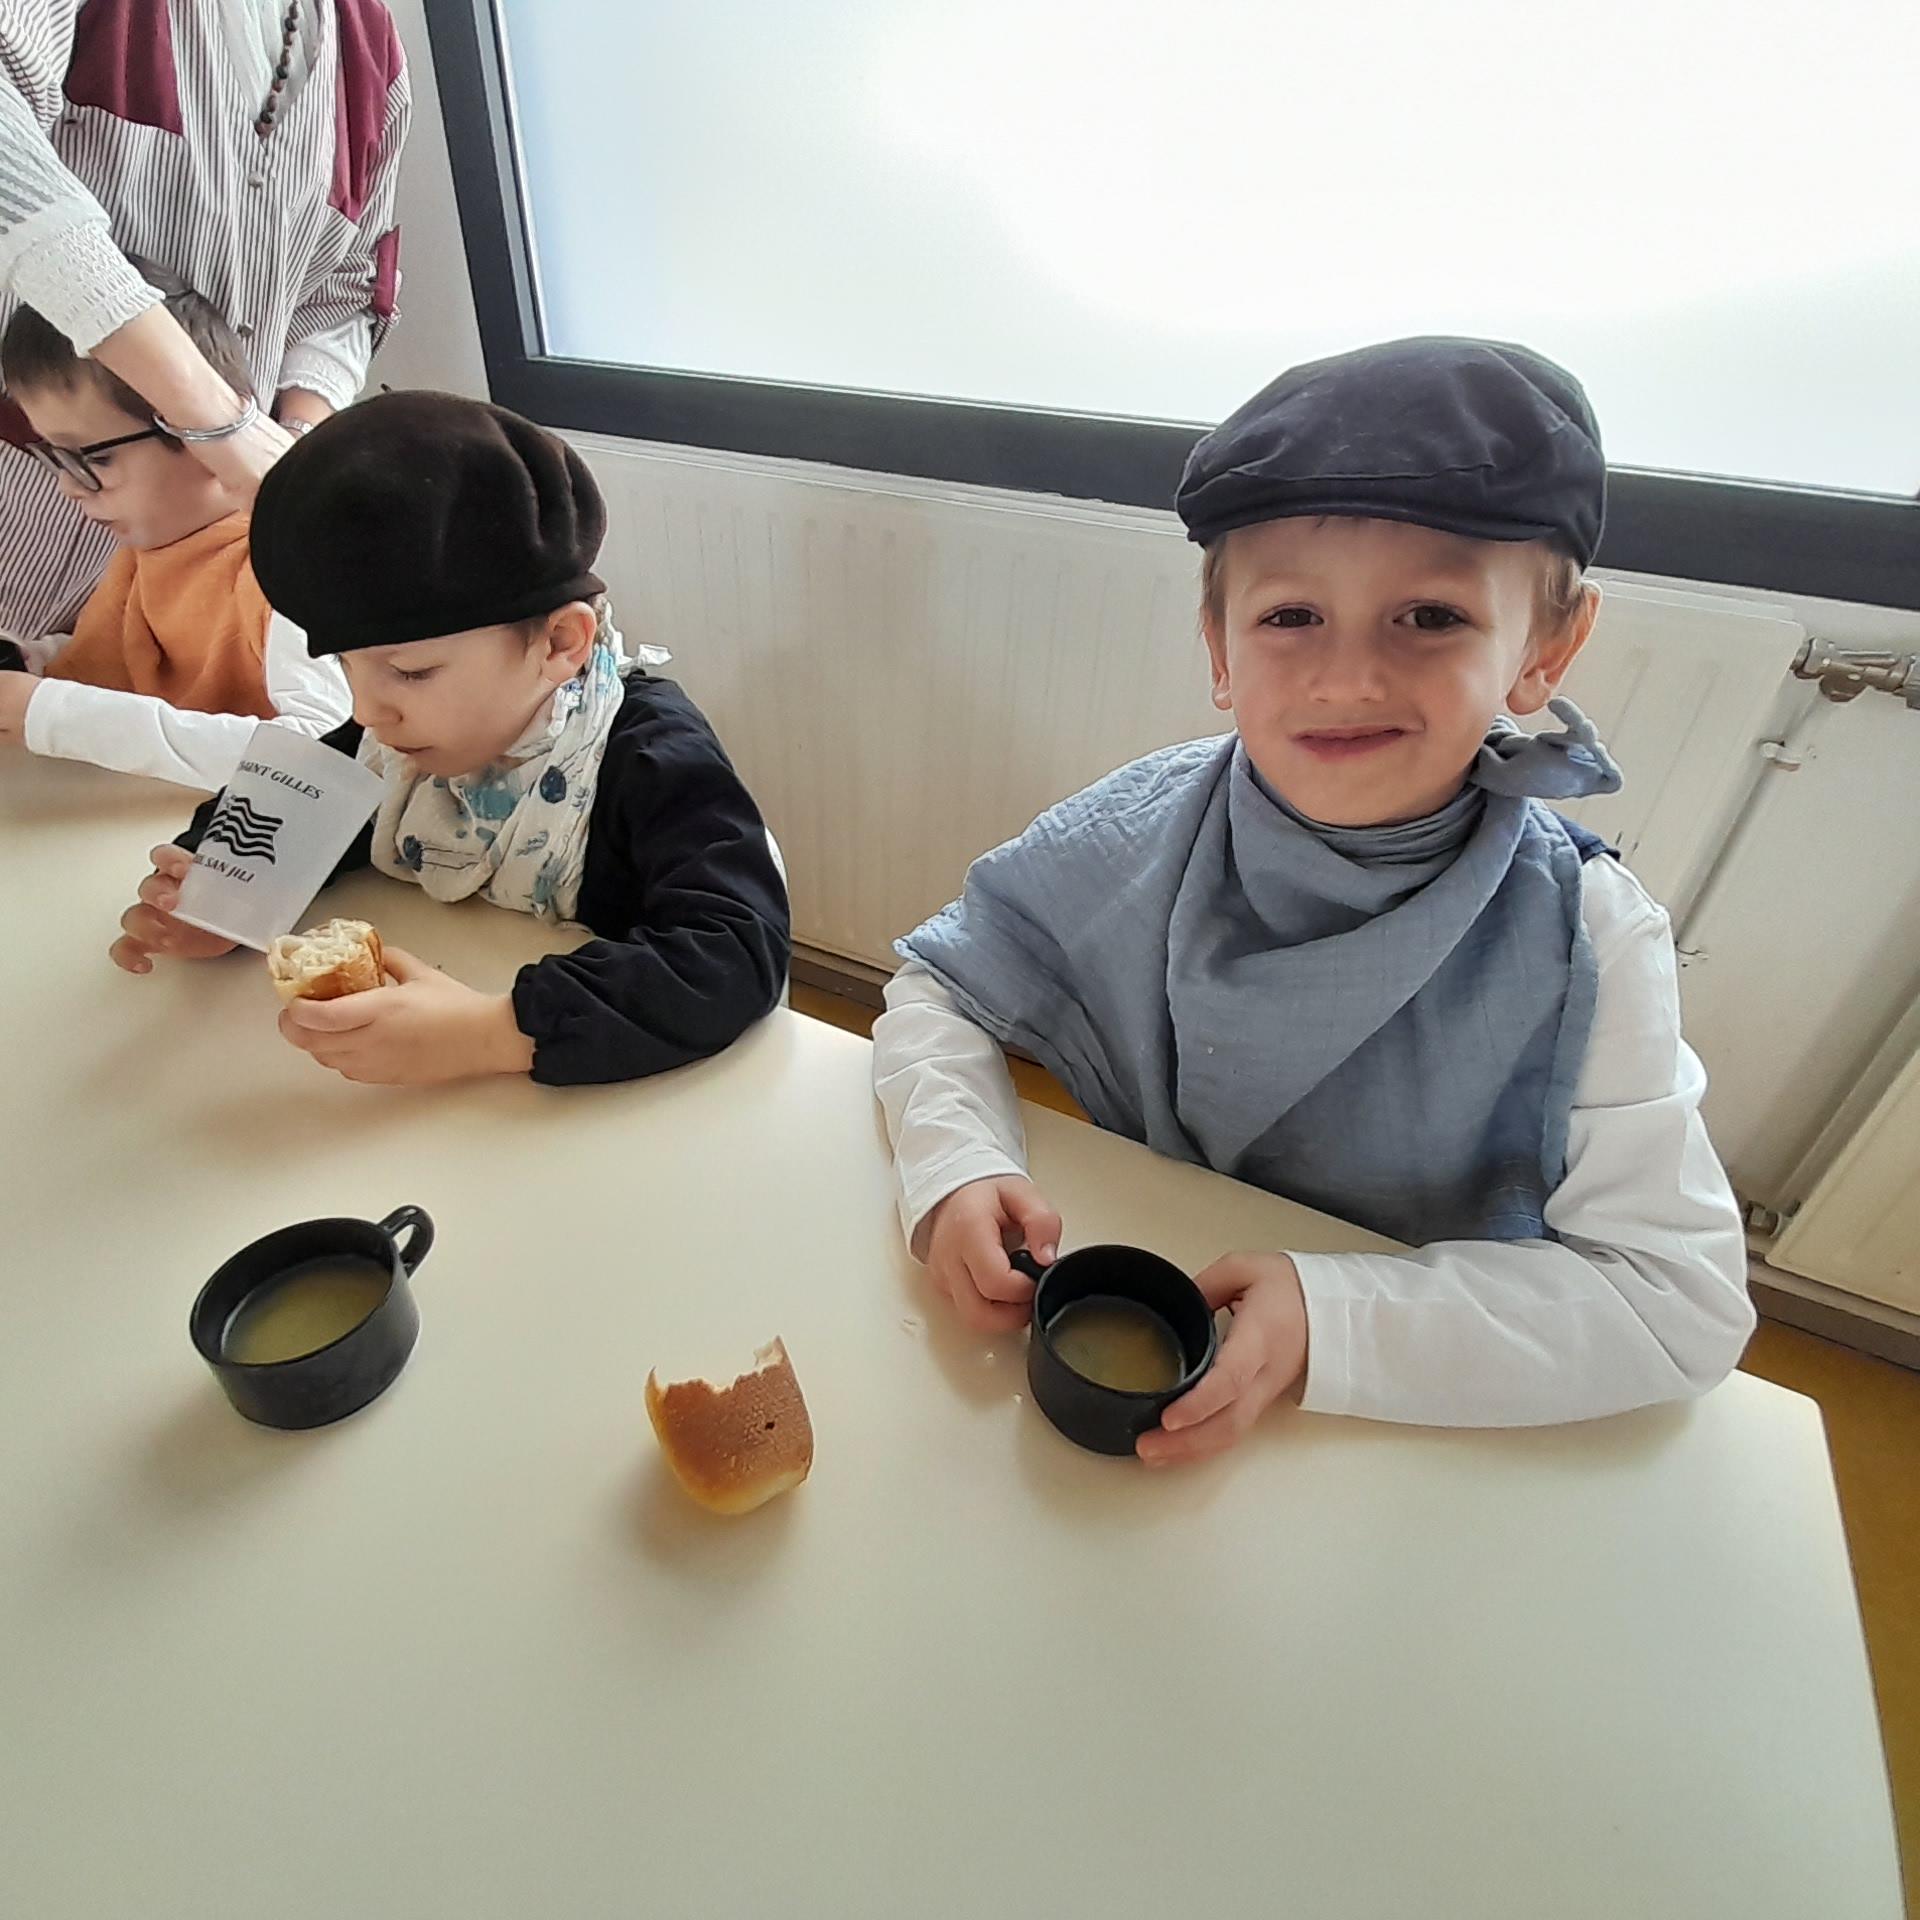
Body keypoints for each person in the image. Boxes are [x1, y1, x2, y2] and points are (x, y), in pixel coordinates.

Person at [873, 337, 1753, 1461]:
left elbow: (1678, 1303)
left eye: (1430, 617)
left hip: (1394, 1422)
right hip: (1153, 1294)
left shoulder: (1588, 935)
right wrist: (957, 1162)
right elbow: (939, 987)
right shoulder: (1145, 823)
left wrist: (1333, 1319)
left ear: (1546, 648)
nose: (1346, 678)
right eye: (1291, 617)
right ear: (1220, 647)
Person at [110, 389, 791, 1088]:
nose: (367, 711)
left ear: (559, 643)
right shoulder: (398, 732)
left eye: (411, 672)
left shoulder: (650, 759)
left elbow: (737, 955)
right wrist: (220, 897)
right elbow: (291, 798)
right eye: (346, 666)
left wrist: (493, 1033)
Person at [1, 0, 409, 641]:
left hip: (188, 577)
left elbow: (345, 289)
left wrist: (288, 450)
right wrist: (210, 415)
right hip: (23, 494)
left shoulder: (370, 52)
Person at [0, 259, 349, 785]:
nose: (69, 486)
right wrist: (34, 662)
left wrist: (54, 716)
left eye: (93, 458)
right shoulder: (151, 555)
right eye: (56, 457)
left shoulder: (285, 570)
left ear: (198, 428)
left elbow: (324, 752)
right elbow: (129, 668)